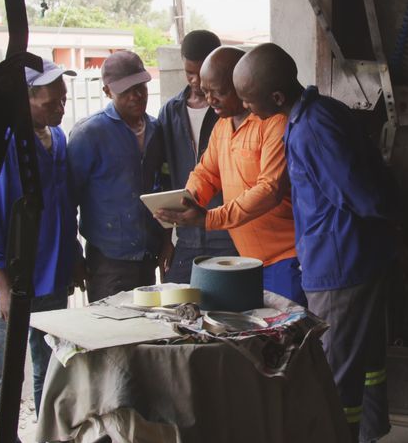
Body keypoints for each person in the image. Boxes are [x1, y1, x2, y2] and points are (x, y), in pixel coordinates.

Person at [234, 43, 396, 443]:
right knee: (365, 360)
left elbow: (359, 193)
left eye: (249, 99)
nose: (245, 107)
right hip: (348, 258)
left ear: (275, 96)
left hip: (341, 266)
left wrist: (383, 224)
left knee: (334, 374)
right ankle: (366, 439)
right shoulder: (314, 112)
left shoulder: (312, 127)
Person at [0, 58, 83, 443]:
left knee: (52, 368)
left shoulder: (57, 140)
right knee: (3, 375)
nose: (61, 108)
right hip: (15, 281)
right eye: (51, 102)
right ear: (26, 101)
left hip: (53, 277)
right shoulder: (4, 145)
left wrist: (73, 255)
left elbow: (64, 206)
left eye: (63, 100)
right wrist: (2, 286)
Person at [154, 46, 303, 305]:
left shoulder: (274, 123)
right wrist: (188, 199)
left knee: (290, 338)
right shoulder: (223, 125)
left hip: (286, 258)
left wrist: (210, 218)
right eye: (205, 91)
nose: (210, 100)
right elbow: (207, 172)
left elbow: (269, 189)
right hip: (247, 261)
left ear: (242, 85)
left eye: (219, 92)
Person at [69, 50, 170, 302]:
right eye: (126, 91)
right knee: (110, 334)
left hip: (148, 255)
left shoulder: (157, 130)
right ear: (107, 92)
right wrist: (74, 255)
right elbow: (68, 201)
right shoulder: (89, 134)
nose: (136, 96)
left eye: (141, 87)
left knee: (146, 330)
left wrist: (167, 241)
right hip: (107, 260)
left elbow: (166, 190)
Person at [157, 30, 237, 283]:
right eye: (189, 73)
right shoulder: (171, 111)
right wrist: (165, 238)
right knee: (177, 306)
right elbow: (164, 170)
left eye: (201, 73)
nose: (194, 81)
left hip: (228, 234)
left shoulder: (231, 110)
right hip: (187, 235)